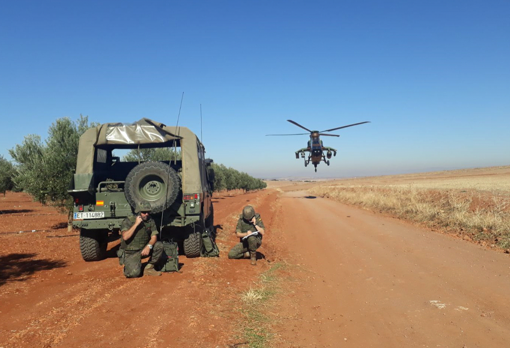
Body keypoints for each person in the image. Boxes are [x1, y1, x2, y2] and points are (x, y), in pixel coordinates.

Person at [118, 201, 164, 277]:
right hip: (131, 251)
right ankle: (131, 265)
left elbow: (154, 236)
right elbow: (125, 237)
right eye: (144, 212)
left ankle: (149, 268)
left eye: (148, 212)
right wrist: (136, 224)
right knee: (133, 274)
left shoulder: (150, 220)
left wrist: (148, 246)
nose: (147, 214)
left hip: (143, 249)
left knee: (159, 245)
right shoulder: (128, 221)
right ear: (138, 212)